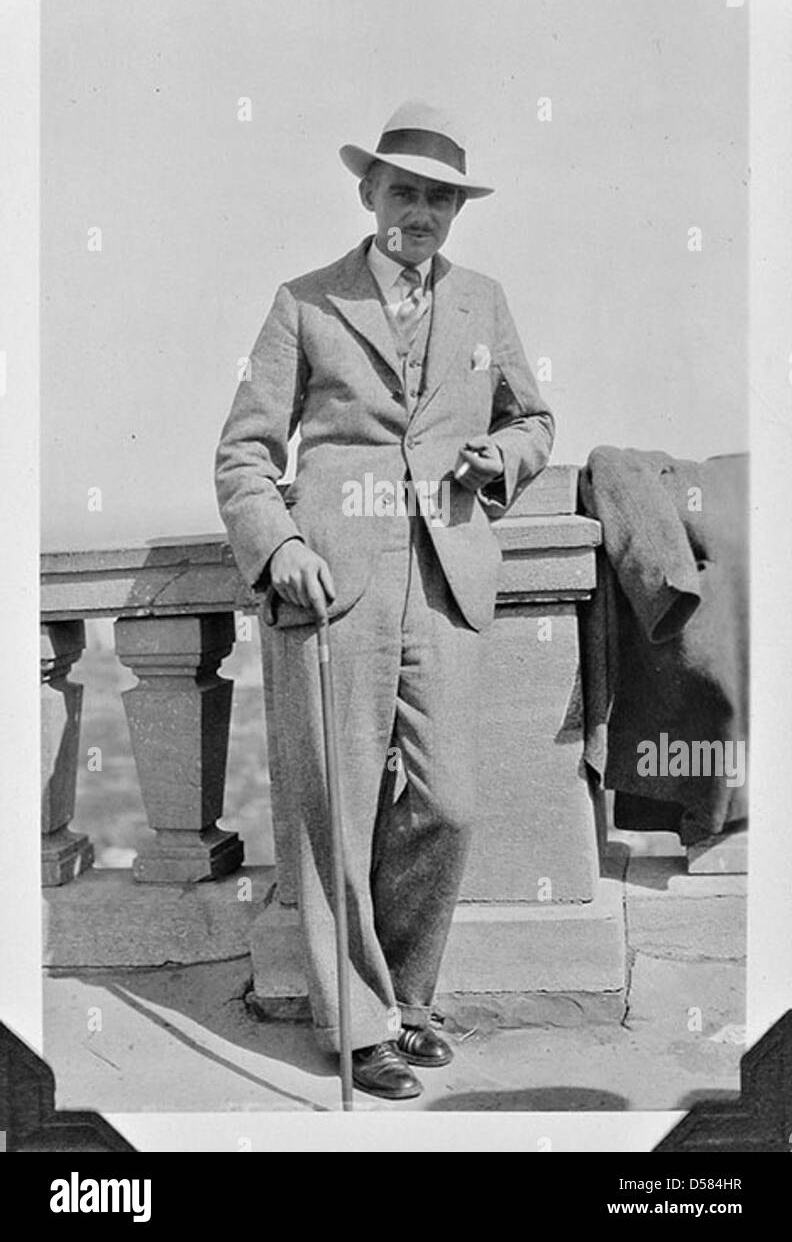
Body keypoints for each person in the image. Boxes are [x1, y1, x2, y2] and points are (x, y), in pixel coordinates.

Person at [215, 100, 555, 1099]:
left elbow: (534, 416)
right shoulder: (304, 303)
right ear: (368, 193)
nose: (421, 211)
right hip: (333, 590)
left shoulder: (484, 304)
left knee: (446, 804)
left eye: (440, 197)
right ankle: (361, 1029)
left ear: (457, 210)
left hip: (445, 583)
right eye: (404, 190)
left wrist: (506, 459)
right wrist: (277, 544)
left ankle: (406, 1000)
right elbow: (242, 453)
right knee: (334, 813)